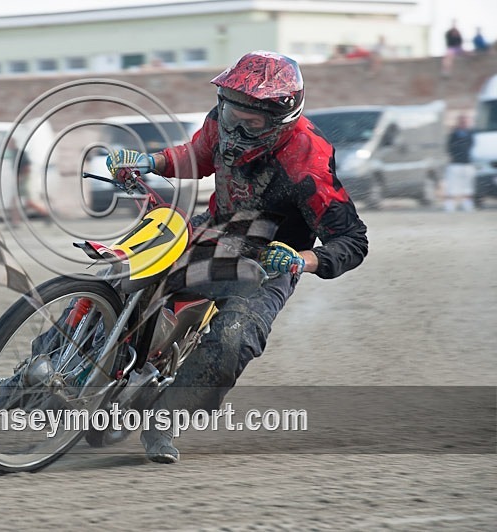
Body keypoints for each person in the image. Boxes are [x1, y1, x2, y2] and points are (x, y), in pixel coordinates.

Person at [105, 50, 369, 463]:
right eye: (231, 114)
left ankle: (165, 420)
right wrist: (149, 161)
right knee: (126, 267)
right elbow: (199, 155)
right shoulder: (223, 117)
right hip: (214, 229)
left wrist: (303, 260)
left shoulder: (309, 161)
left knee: (234, 337)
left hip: (269, 260)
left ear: (280, 118)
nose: (235, 126)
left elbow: (353, 239)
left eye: (252, 121)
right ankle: (40, 362)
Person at [444, 114, 476, 212]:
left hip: (467, 163)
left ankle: (467, 204)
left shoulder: (470, 134)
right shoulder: (453, 134)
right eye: (462, 121)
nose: (464, 123)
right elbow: (449, 148)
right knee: (452, 185)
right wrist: (456, 155)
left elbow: (472, 146)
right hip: (455, 163)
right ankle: (450, 205)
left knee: (468, 185)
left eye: (465, 121)